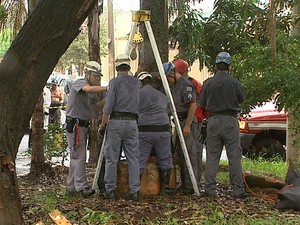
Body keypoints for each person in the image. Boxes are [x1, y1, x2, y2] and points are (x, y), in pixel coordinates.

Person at [198, 51, 248, 198]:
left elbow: (201, 103)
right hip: (230, 122)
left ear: (216, 66)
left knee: (212, 156)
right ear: (229, 66)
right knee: (234, 156)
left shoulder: (208, 83)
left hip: (213, 121)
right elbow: (241, 99)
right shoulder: (234, 82)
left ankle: (209, 189)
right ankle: (238, 190)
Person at [98, 54, 140, 201]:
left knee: (112, 157)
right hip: (132, 122)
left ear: (116, 68)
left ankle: (110, 190)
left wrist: (103, 125)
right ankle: (135, 190)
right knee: (133, 157)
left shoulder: (114, 82)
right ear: (129, 67)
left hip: (116, 122)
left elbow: (108, 107)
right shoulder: (136, 83)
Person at [65, 61, 107, 197]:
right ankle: (82, 186)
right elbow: (88, 89)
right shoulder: (80, 83)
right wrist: (106, 88)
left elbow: (96, 107)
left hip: (82, 126)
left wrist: (110, 97)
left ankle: (71, 187)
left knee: (76, 156)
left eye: (98, 77)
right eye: (95, 76)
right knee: (80, 156)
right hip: (75, 125)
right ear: (87, 74)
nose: (97, 79)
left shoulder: (92, 90)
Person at [162, 61, 199, 194]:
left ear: (172, 73)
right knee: (181, 154)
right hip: (178, 121)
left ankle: (191, 185)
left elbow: (192, 105)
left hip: (186, 121)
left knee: (189, 152)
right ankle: (184, 184)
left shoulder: (185, 84)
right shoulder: (174, 86)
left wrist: (188, 125)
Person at [137, 71, 174, 194]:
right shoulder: (162, 95)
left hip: (144, 130)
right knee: (165, 159)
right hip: (163, 130)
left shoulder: (137, 94)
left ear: (140, 83)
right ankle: (164, 188)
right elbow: (168, 111)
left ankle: (136, 189)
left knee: (140, 160)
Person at [173, 59, 208, 186]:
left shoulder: (190, 84)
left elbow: (196, 104)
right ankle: (189, 182)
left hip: (193, 120)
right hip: (191, 119)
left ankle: (193, 182)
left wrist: (188, 124)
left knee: (192, 152)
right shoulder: (185, 83)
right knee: (187, 152)